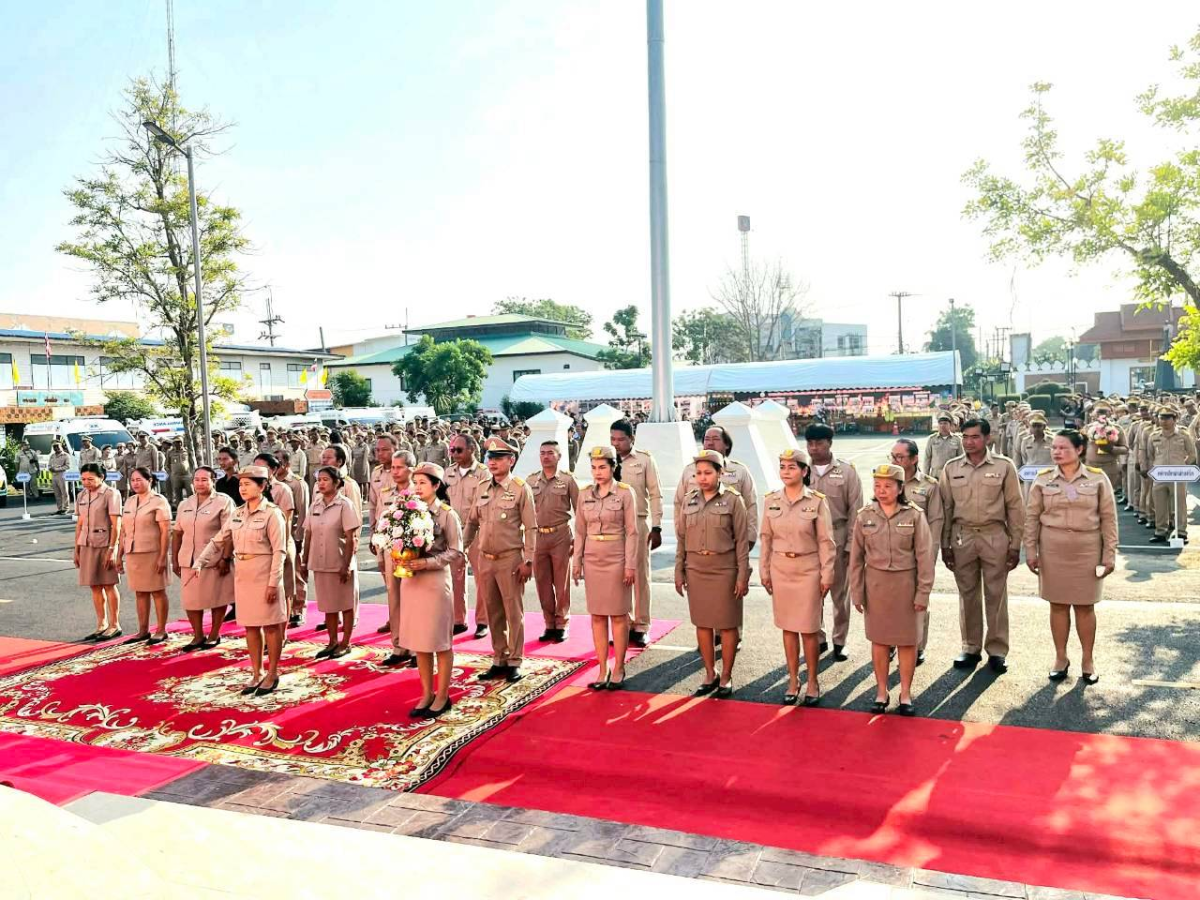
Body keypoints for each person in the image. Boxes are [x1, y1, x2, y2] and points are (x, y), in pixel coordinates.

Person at [1024, 430, 1118, 684]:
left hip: (1087, 550)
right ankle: (1060, 658)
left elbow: (1109, 519)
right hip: (1053, 550)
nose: (1056, 452)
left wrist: (1109, 554)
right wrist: (1030, 551)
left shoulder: (1097, 479)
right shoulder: (1043, 479)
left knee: (1086, 606)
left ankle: (1088, 660)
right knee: (1058, 605)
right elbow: (1032, 517)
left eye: (1063, 448)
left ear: (1079, 450)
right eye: (1054, 447)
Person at [938, 418, 1024, 673]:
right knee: (968, 594)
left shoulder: (1004, 466)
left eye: (975, 437)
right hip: (962, 536)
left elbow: (1015, 508)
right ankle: (970, 647)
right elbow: (945, 508)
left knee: (996, 594)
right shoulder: (951, 468)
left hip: (994, 535)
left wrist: (1015, 545)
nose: (969, 442)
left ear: (987, 438)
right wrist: (945, 544)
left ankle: (997, 650)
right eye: (965, 437)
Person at [850, 464, 934, 715]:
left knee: (907, 642)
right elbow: (855, 559)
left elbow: (925, 558)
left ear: (900, 488)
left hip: (906, 587)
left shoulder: (914, 515)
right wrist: (857, 592)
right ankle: (881, 691)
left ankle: (906, 693)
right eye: (877, 485)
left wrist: (923, 593)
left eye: (888, 486)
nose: (882, 490)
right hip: (875, 587)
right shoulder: (864, 515)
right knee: (880, 641)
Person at [195, 466, 288, 695]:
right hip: (244, 575)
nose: (242, 488)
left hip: (265, 574)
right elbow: (219, 540)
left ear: (262, 486)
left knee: (271, 627)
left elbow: (280, 551)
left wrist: (273, 583)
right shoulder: (238, 513)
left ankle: (273, 672)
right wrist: (201, 561)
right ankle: (256, 671)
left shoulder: (272, 513)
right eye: (240, 484)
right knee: (251, 627)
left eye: (248, 484)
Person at [759, 449, 835, 706]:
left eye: (792, 467)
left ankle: (813, 680)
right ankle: (793, 679)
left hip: (808, 569)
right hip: (781, 568)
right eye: (782, 467)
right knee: (788, 628)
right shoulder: (771, 500)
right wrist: (764, 570)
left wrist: (827, 573)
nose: (786, 471)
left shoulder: (816, 501)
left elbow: (826, 541)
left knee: (810, 629)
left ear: (805, 472)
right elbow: (766, 538)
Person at [674, 449, 750, 698]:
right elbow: (682, 539)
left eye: (708, 473)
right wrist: (679, 569)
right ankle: (710, 672)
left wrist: (742, 576)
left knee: (728, 626)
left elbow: (741, 541)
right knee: (703, 624)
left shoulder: (733, 500)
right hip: (696, 569)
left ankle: (726, 675)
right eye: (698, 473)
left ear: (720, 473)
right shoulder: (689, 500)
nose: (702, 478)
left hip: (724, 569)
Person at [462, 437, 536, 683]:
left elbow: (531, 527)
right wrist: (461, 547)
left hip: (510, 559)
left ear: (511, 460)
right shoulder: (482, 487)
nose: (492, 463)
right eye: (490, 458)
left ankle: (515, 660)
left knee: (513, 611)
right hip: (486, 559)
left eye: (499, 458)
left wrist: (528, 560)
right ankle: (499, 657)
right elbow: (472, 521)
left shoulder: (519, 488)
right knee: (492, 610)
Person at [398, 463, 462, 717]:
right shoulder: (406, 512)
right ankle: (426, 693)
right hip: (412, 580)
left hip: (434, 581)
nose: (417, 487)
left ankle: (443, 694)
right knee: (420, 641)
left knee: (439, 641)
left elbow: (456, 551)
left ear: (437, 485)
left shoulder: (447, 514)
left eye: (423, 483)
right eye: (415, 483)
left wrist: (427, 562)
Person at [572, 445, 638, 690]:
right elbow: (579, 530)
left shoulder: (624, 493)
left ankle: (619, 666)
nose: (598, 472)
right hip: (592, 559)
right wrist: (576, 561)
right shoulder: (584, 493)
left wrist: (630, 564)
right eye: (594, 468)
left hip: (617, 558)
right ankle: (602, 668)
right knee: (597, 615)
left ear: (613, 467)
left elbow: (632, 532)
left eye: (602, 467)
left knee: (619, 616)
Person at [804, 423, 864, 661]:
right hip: (808, 542)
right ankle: (817, 638)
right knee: (811, 594)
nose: (813, 448)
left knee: (840, 594)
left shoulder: (847, 472)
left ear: (830, 443)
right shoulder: (801, 469)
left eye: (819, 443)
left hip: (838, 538)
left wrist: (851, 545)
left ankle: (840, 640)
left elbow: (856, 511)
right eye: (810, 443)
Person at [610, 419, 663, 647]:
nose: (617, 443)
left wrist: (657, 526)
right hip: (614, 525)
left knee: (640, 575)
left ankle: (641, 625)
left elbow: (655, 493)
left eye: (621, 439)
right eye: (613, 439)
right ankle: (625, 623)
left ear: (632, 439)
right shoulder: (607, 461)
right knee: (618, 576)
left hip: (638, 522)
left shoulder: (644, 460)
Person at [171, 466, 236, 651]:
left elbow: (229, 533)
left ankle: (214, 634)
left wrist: (225, 558)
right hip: (188, 560)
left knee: (217, 598)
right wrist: (174, 559)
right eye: (197, 480)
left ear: (213, 481)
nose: (200, 483)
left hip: (213, 561)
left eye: (204, 480)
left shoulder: (223, 502)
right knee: (190, 600)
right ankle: (197, 635)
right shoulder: (185, 503)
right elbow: (177, 533)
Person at [300, 466, 361, 659]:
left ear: (337, 483)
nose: (321, 483)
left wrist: (347, 564)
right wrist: (304, 561)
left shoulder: (345, 505)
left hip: (339, 561)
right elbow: (308, 534)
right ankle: (332, 641)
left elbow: (351, 538)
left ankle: (346, 642)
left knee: (345, 603)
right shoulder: (315, 505)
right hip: (320, 561)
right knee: (328, 604)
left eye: (326, 479)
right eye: (319, 480)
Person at [890, 438, 942, 665]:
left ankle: (917, 645)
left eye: (900, 457)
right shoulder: (887, 483)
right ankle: (890, 642)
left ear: (914, 459)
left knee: (919, 601)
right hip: (891, 555)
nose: (895, 461)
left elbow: (937, 521)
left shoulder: (930, 486)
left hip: (919, 554)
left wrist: (930, 556)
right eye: (892, 456)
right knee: (890, 601)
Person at [528, 440, 579, 643]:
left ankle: (562, 623)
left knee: (561, 583)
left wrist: (579, 539)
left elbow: (580, 511)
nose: (546, 456)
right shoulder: (530, 481)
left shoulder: (567, 480)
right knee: (542, 582)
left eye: (550, 453)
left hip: (560, 535)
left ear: (559, 456)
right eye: (542, 453)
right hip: (538, 536)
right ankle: (549, 623)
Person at [116, 467, 172, 644]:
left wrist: (163, 556)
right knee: (140, 592)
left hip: (152, 552)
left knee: (157, 591)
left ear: (150, 480)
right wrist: (119, 555)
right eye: (132, 480)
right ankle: (143, 630)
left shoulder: (158, 501)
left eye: (139, 479)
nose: (135, 483)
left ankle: (161, 630)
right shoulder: (130, 501)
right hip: (133, 553)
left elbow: (165, 531)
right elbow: (123, 530)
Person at [444, 434, 489, 636]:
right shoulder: (448, 473)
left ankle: (483, 621)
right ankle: (458, 620)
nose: (454, 454)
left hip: (478, 530)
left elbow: (483, 504)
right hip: (453, 531)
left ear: (472, 449)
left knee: (482, 577)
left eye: (458, 450)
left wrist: (469, 529)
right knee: (455, 576)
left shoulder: (483, 473)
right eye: (452, 450)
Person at [74, 462, 123, 642]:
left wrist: (113, 548)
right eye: (83, 479)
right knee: (94, 585)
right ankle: (101, 624)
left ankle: (114, 624)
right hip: (86, 543)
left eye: (90, 479)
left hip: (104, 544)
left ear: (101, 477)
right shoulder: (81, 495)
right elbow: (79, 524)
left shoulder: (111, 494)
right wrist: (76, 548)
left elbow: (116, 524)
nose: (86, 482)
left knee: (109, 584)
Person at [379, 450, 417, 666]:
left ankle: (415, 648)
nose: (395, 471)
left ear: (410, 469)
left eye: (399, 467)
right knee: (394, 598)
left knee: (412, 599)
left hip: (411, 552)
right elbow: (379, 519)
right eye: (393, 467)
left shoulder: (418, 491)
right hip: (389, 551)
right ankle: (399, 645)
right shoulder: (386, 492)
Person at [255, 453, 300, 627]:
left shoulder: (282, 489)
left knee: (284, 589)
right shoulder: (253, 488)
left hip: (280, 544)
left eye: (262, 467)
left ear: (273, 470)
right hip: (260, 547)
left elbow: (286, 521)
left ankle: (283, 630)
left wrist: (279, 548)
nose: (257, 470)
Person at [1146, 406, 1197, 544]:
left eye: (1168, 417)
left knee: (1179, 505)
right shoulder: (1154, 436)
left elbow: (1192, 454)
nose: (1164, 421)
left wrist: (1183, 467)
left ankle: (1181, 532)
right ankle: (1161, 531)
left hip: (1178, 475)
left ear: (1174, 419)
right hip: (1160, 475)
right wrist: (1153, 469)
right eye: (1162, 417)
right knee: (1160, 504)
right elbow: (1150, 456)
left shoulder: (1183, 435)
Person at [368, 435, 401, 636]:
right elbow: (373, 504)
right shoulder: (376, 473)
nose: (380, 454)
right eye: (378, 450)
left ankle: (404, 621)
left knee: (403, 584)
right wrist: (372, 531)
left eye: (385, 450)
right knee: (388, 581)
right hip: (382, 533)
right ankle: (393, 617)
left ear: (396, 449)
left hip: (401, 534)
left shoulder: (406, 470)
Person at [924, 413, 963, 479]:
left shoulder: (957, 439)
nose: (942, 426)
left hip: (952, 473)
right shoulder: (932, 439)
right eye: (940, 423)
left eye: (945, 423)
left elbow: (961, 458)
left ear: (950, 425)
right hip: (936, 474)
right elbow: (927, 458)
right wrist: (926, 475)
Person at [165, 438, 191, 507]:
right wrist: (171, 473)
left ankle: (192, 507)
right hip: (176, 476)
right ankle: (180, 509)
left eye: (180, 442)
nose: (178, 443)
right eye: (176, 442)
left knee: (190, 492)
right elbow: (167, 464)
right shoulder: (170, 452)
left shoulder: (187, 450)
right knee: (178, 495)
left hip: (187, 475)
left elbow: (192, 462)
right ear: (173, 443)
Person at [49, 442, 71, 515]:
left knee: (64, 492)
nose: (56, 448)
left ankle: (65, 508)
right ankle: (60, 508)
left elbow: (67, 466)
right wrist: (50, 469)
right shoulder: (52, 456)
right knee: (57, 493)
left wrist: (57, 469)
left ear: (61, 447)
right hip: (54, 475)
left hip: (62, 475)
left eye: (57, 446)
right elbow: (49, 465)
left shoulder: (66, 455)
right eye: (54, 447)